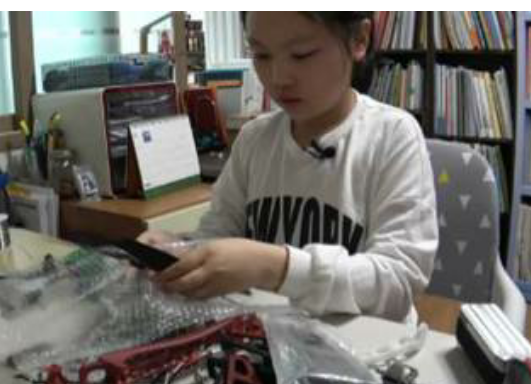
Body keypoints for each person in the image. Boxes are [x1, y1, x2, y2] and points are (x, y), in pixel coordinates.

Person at [140, 11, 438, 323]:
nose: (279, 78)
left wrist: (275, 267)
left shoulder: (392, 136)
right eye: (261, 54)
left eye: (301, 54)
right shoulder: (254, 139)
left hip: (367, 344)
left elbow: (399, 281)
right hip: (265, 337)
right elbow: (217, 234)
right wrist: (178, 250)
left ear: (359, 40)